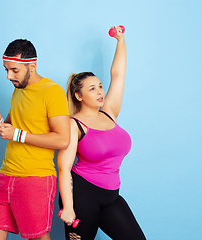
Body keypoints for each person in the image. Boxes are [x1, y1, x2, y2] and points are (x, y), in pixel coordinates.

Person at [57, 27, 146, 240]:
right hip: (82, 197)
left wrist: (120, 40)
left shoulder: (109, 113)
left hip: (111, 196)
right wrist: (68, 207)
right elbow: (64, 168)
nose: (100, 92)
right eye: (92, 89)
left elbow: (118, 75)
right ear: (78, 95)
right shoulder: (74, 124)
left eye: (100, 86)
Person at [0, 39, 70, 240]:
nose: (8, 76)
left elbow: (62, 139)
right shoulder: (18, 90)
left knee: (37, 237)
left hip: (35, 178)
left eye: (14, 70)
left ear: (32, 65)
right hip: (5, 174)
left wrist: (16, 134)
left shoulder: (52, 91)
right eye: (6, 70)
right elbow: (13, 126)